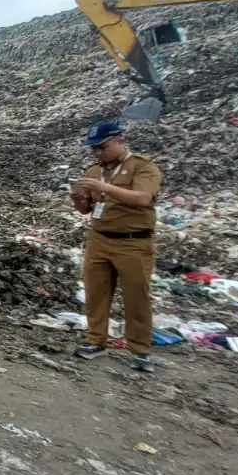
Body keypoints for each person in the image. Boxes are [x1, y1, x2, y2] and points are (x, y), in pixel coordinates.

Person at [69, 120, 162, 374]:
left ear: (120, 141)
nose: (98, 153)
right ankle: (95, 340)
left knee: (136, 296)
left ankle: (141, 350)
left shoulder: (143, 167)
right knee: (95, 292)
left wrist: (103, 187)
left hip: (133, 241)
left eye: (102, 147)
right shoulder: (93, 171)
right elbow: (86, 209)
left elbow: (143, 199)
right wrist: (77, 198)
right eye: (94, 149)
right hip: (99, 238)